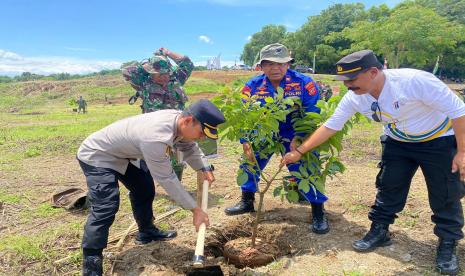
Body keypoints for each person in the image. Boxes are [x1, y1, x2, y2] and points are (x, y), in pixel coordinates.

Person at [281, 49, 465, 275]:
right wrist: (299, 151)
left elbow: (458, 110)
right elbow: (331, 125)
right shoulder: (356, 96)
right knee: (388, 186)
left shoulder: (414, 82)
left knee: (445, 193)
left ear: (374, 72)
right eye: (344, 80)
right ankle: (380, 231)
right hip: (398, 142)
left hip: (439, 141)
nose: (348, 85)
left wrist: (462, 152)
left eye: (352, 79)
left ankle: (447, 243)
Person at [77, 100, 225, 275]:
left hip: (124, 155)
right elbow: (167, 178)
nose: (202, 138)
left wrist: (204, 167)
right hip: (98, 155)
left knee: (144, 188)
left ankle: (146, 232)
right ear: (188, 121)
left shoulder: (179, 121)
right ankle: (91, 261)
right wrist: (195, 209)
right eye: (201, 133)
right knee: (106, 205)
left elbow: (189, 146)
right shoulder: (156, 137)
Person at [223, 43, 330, 234]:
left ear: (288, 64)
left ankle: (318, 212)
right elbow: (244, 119)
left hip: (294, 132)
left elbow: (312, 114)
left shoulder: (304, 83)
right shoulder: (252, 87)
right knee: (250, 163)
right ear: (261, 66)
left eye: (281, 64)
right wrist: (245, 142)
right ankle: (247, 201)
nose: (275, 68)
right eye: (269, 64)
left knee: (306, 167)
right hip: (264, 132)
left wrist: (300, 140)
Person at [123, 47, 193, 112]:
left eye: (166, 73)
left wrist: (168, 53)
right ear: (151, 74)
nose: (163, 77)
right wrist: (146, 65)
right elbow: (126, 72)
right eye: (159, 74)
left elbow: (188, 64)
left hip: (176, 122)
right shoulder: (144, 82)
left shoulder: (176, 78)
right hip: (154, 123)